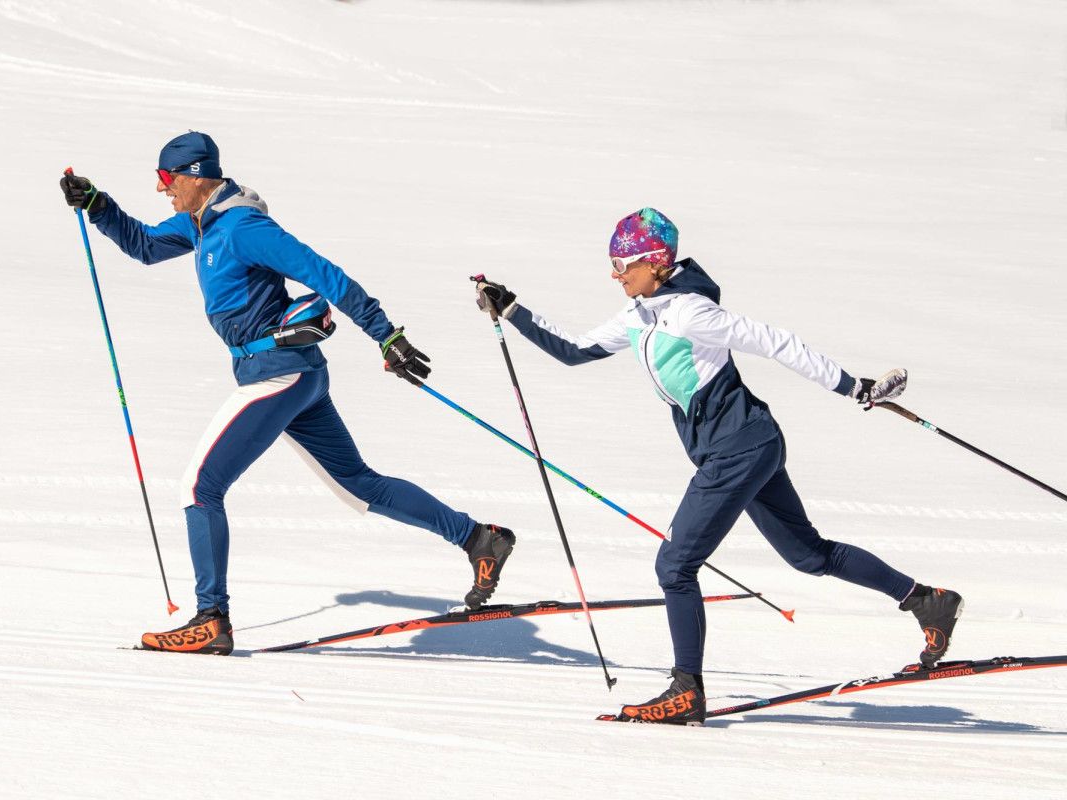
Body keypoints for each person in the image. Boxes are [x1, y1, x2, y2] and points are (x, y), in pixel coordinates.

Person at [474, 207, 962, 725]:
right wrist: (511, 309)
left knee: (674, 566)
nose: (615, 275)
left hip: (738, 452)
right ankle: (925, 600)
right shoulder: (640, 313)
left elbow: (779, 342)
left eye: (622, 265)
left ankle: (686, 690)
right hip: (746, 448)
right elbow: (574, 351)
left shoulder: (690, 312)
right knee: (808, 555)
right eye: (613, 265)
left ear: (654, 263)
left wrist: (852, 387)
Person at [59, 131, 516, 655]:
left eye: (166, 179)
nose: (163, 190)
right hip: (291, 375)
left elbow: (324, 274)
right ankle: (478, 538)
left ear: (195, 174)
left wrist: (386, 335)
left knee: (198, 488)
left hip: (278, 375)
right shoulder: (202, 224)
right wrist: (98, 205)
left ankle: (212, 619)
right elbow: (143, 246)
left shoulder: (243, 227)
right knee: (359, 484)